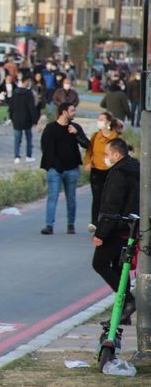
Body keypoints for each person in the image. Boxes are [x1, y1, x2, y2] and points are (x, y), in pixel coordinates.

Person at [92, 138, 139, 325]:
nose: (107, 157)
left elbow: (112, 204)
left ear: (117, 154)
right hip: (131, 226)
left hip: (117, 227)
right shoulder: (135, 168)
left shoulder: (119, 173)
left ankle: (128, 300)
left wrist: (100, 233)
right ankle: (123, 313)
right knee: (121, 268)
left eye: (108, 154)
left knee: (100, 262)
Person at [40, 102, 90, 235]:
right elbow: (46, 148)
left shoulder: (75, 127)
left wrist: (76, 133)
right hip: (55, 170)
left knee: (71, 198)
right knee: (52, 197)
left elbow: (87, 144)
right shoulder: (50, 128)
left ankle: (71, 225)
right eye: (72, 111)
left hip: (72, 169)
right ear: (64, 112)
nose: (74, 113)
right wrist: (56, 165)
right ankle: (49, 225)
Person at [84, 112, 121, 225]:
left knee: (109, 198)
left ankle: (107, 221)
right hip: (96, 171)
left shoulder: (115, 137)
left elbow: (120, 154)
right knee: (97, 198)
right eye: (98, 119)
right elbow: (89, 152)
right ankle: (94, 222)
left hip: (110, 171)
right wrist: (87, 162)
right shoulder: (95, 136)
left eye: (101, 119)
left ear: (108, 123)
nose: (99, 122)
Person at [9, 74, 39, 164]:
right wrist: (34, 119)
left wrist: (11, 117)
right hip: (27, 119)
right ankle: (28, 156)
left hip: (17, 118)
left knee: (17, 139)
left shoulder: (15, 92)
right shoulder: (29, 93)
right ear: (25, 82)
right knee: (28, 138)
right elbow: (31, 107)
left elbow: (11, 106)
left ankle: (16, 156)